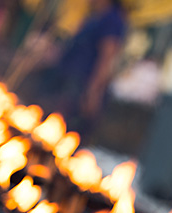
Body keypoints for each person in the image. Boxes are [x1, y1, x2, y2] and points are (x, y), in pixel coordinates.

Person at [50, 0, 127, 138]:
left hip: (82, 87)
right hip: (69, 81)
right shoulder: (94, 16)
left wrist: (93, 91)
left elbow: (107, 58)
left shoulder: (113, 19)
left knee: (67, 132)